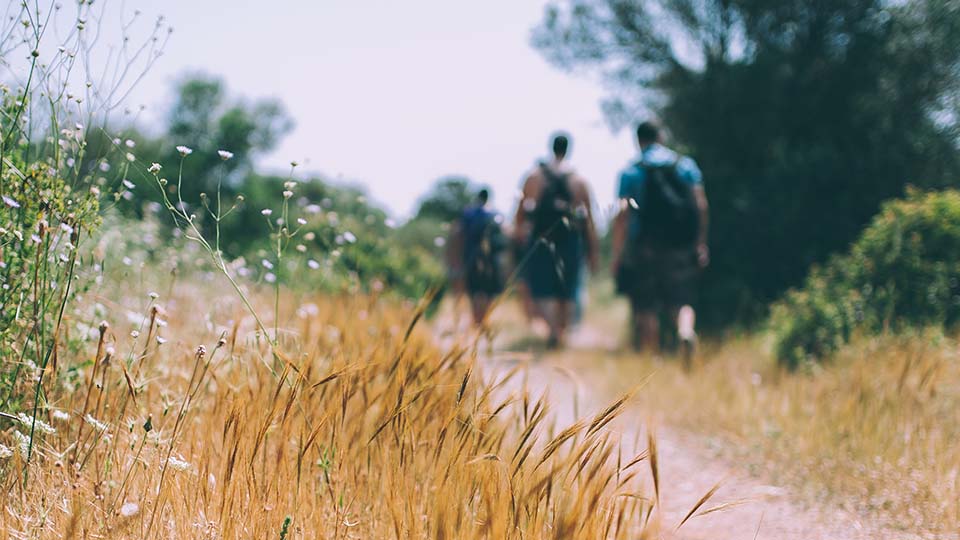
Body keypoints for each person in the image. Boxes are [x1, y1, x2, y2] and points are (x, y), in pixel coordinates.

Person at [611, 121, 709, 360]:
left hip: (645, 245)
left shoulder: (631, 171)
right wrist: (700, 242)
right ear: (661, 137)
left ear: (638, 140)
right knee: (681, 297)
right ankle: (685, 331)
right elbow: (701, 205)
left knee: (646, 303)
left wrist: (618, 255)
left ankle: (651, 359)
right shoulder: (684, 165)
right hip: (680, 243)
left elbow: (623, 216)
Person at [514, 133, 600, 348]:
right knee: (567, 286)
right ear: (568, 149)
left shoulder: (534, 176)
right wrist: (592, 250)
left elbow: (520, 213)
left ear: (551, 148)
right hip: (570, 239)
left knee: (544, 286)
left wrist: (519, 239)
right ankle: (561, 332)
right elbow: (589, 219)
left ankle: (552, 330)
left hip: (542, 238)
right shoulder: (578, 180)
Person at [450, 188, 506, 327]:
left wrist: (455, 257)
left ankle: (476, 319)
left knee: (474, 290)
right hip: (491, 259)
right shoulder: (495, 213)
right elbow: (504, 236)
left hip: (471, 257)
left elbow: (458, 234)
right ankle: (483, 318)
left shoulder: (468, 213)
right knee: (489, 290)